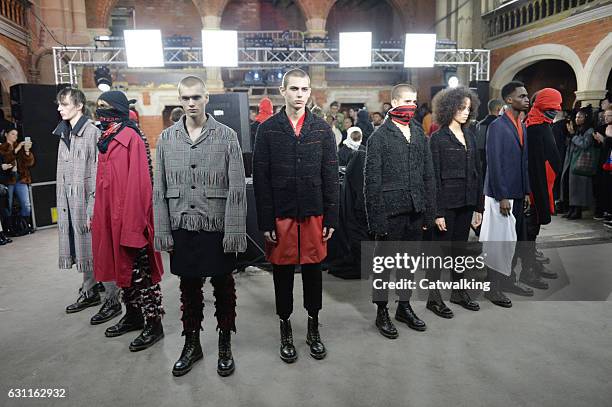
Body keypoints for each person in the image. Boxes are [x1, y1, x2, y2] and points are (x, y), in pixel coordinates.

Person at [154, 76, 247, 377]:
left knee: (223, 284)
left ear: (207, 98)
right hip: (182, 222)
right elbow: (159, 189)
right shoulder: (166, 139)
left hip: (216, 223)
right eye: (185, 98)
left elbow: (237, 186)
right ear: (179, 100)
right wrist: (163, 229)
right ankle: (191, 342)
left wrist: (234, 230)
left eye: (197, 97)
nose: (191, 103)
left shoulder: (227, 135)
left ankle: (224, 341)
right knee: (189, 287)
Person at [253, 68, 338, 363]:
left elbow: (330, 175)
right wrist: (265, 221)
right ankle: (285, 326)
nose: (300, 95)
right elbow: (261, 179)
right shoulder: (267, 130)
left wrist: (331, 218)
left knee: (314, 273)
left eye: (304, 89)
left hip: (314, 212)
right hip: (281, 213)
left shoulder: (322, 129)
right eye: (294, 89)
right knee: (283, 274)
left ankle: (313, 326)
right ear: (283, 91)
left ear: (310, 91)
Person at [91, 90, 165, 352]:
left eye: (105, 106)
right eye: (98, 106)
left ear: (119, 109)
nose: (100, 111)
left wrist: (134, 224)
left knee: (141, 274)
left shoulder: (132, 137)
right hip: (111, 216)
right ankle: (133, 316)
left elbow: (141, 184)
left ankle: (154, 323)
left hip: (132, 217)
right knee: (123, 271)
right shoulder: (106, 138)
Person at [364, 83, 435, 339]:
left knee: (408, 264)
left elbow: (428, 176)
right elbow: (371, 181)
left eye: (414, 101)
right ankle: (381, 310)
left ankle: (404, 306)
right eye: (406, 101)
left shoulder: (419, 134)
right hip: (389, 213)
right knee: (384, 265)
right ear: (394, 103)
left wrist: (429, 211)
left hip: (415, 210)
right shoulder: (379, 137)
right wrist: (377, 220)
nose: (411, 106)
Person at [53, 87, 121, 322]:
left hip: (89, 201)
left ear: (79, 105)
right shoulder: (64, 134)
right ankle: (90, 289)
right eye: (59, 104)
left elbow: (98, 171)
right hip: (71, 201)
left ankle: (113, 298)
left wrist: (94, 207)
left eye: (64, 103)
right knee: (82, 247)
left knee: (100, 248)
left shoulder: (92, 132)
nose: (60, 108)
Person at [428, 86, 483, 318]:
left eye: (468, 108)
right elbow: (433, 177)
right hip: (446, 205)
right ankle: (434, 298)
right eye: (461, 108)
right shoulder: (437, 138)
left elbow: (477, 172)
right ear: (448, 108)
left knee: (459, 251)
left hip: (466, 202)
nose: (465, 112)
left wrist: (478, 207)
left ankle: (459, 292)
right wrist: (437, 212)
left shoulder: (470, 135)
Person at [480, 81, 532, 308]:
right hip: (501, 194)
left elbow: (524, 162)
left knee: (514, 241)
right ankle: (492, 289)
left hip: (518, 192)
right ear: (509, 100)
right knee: (498, 243)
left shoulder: (522, 125)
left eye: (527, 95)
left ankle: (507, 281)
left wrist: (527, 191)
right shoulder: (497, 126)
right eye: (522, 96)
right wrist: (502, 196)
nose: (527, 99)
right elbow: (494, 163)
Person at [521, 88, 563, 289]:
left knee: (534, 229)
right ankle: (528, 271)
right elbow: (534, 164)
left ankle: (532, 266)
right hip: (537, 187)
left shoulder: (543, 124)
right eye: (552, 106)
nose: (556, 110)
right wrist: (534, 192)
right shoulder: (534, 127)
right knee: (530, 229)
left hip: (545, 185)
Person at [560, 109, 594, 220]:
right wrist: (570, 135)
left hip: (581, 162)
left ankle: (577, 211)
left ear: (586, 118)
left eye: (580, 117)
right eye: (576, 117)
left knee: (578, 188)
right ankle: (571, 209)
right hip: (571, 160)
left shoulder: (589, 131)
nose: (577, 119)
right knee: (571, 187)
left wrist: (573, 135)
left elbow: (584, 144)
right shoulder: (577, 129)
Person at [0, 128, 35, 236]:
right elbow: (5, 160)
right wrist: (16, 149)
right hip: (8, 180)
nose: (15, 136)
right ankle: (9, 229)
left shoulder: (19, 146)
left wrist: (26, 150)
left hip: (20, 178)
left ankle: (23, 225)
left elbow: (29, 163)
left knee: (26, 205)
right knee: (8, 206)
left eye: (16, 134)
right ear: (6, 134)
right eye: (12, 134)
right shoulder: (2, 147)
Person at [476, 99, 504, 181]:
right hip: (497, 164)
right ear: (499, 109)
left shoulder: (480, 124)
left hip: (482, 163)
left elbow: (479, 146)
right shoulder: (500, 124)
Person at [595, 106, 612, 228]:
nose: (606, 118)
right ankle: (607, 212)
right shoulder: (603, 127)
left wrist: (604, 139)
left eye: (609, 116)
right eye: (605, 115)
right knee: (604, 187)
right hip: (605, 162)